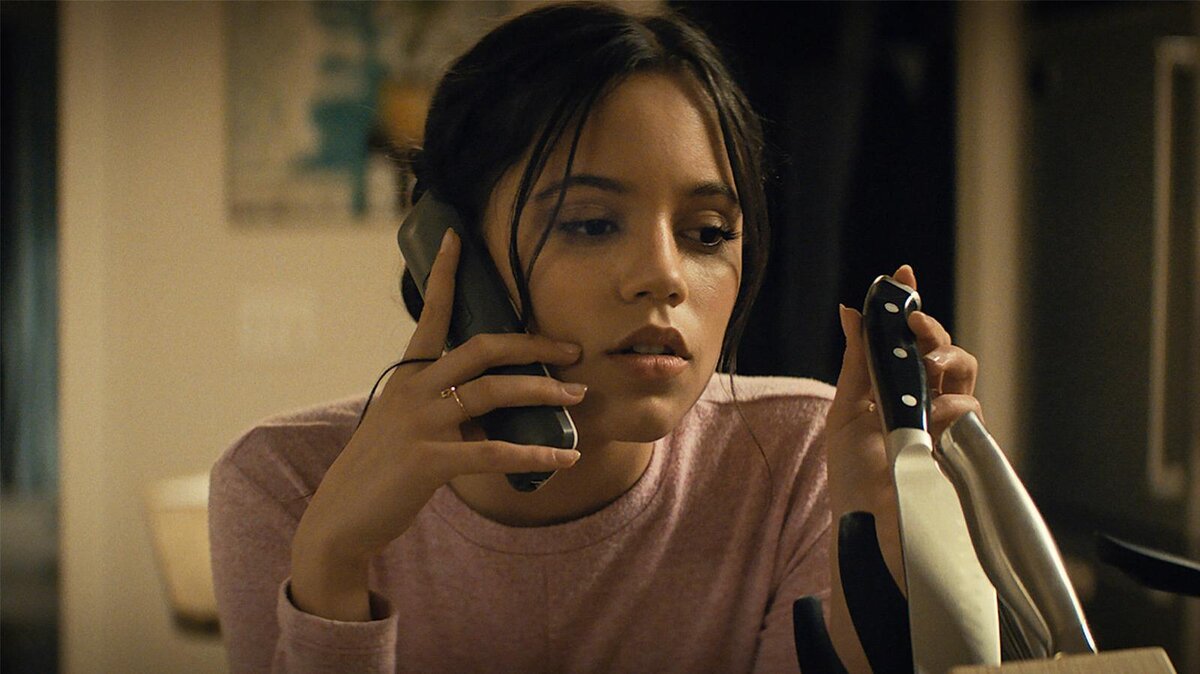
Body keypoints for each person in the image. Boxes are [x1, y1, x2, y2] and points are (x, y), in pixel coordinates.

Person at [209, 3, 983, 673]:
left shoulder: (805, 455)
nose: (664, 275)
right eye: (590, 223)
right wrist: (332, 568)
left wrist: (884, 554)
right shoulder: (282, 482)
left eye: (707, 232)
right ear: (451, 250)